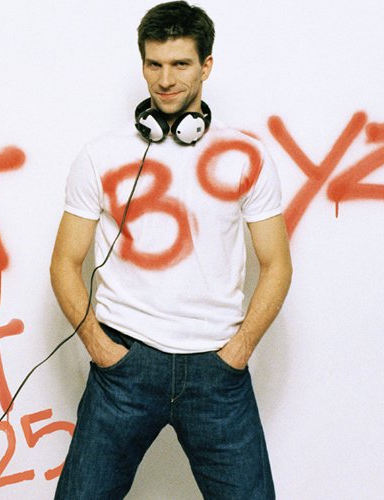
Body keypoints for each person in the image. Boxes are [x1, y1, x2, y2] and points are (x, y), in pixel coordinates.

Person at [50, 2, 292, 498]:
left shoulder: (246, 156)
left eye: (180, 64)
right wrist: (101, 348)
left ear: (206, 65)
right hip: (125, 366)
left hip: (216, 372)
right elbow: (64, 264)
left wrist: (239, 351)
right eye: (154, 64)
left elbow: (277, 264)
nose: (165, 79)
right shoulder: (101, 154)